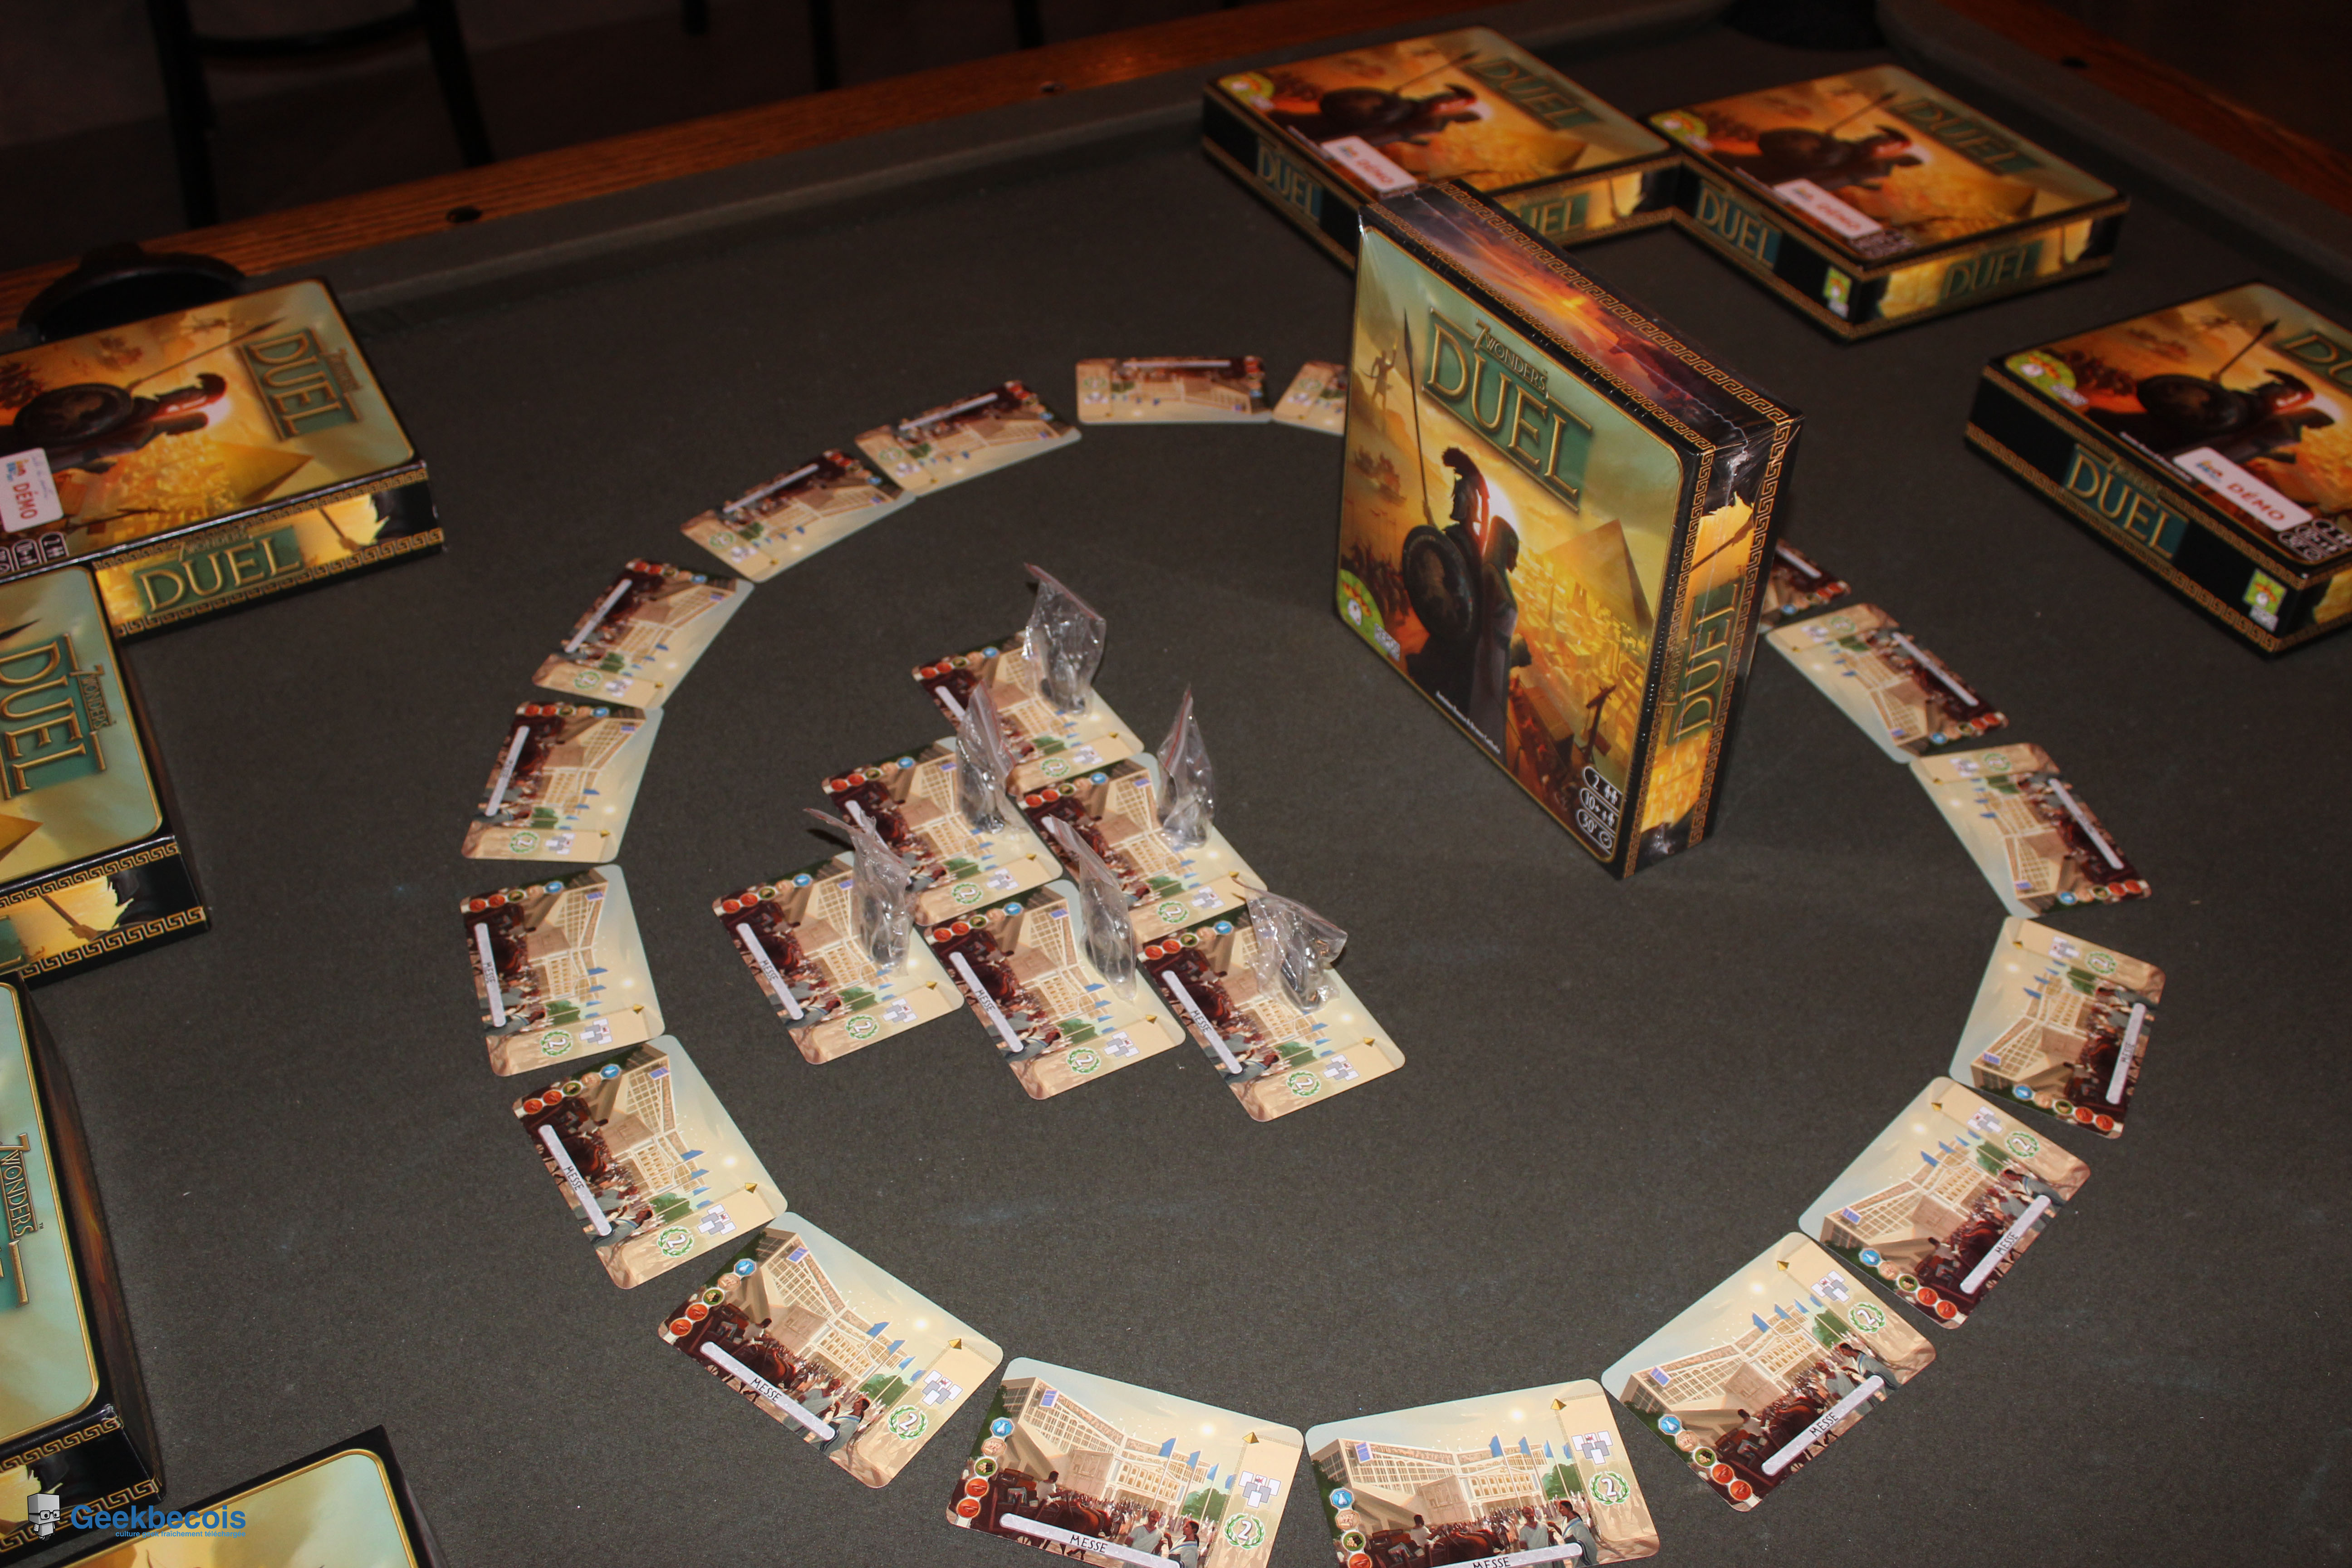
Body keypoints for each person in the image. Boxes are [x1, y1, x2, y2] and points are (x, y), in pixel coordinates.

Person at [1269, 83, 1483, 150]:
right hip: (1299, 128)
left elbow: (1373, 137)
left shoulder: (1425, 124)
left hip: (1315, 141)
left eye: (1454, 104)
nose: (1445, 102)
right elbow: (1335, 103)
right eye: (1449, 97)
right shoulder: (1398, 106)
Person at [1717, 127, 1922, 195]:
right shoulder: (1853, 152)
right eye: (1882, 138)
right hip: (1757, 169)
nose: (1878, 139)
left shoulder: (1872, 165)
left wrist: (1829, 143)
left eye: (1886, 141)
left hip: (1792, 179)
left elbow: (1825, 164)